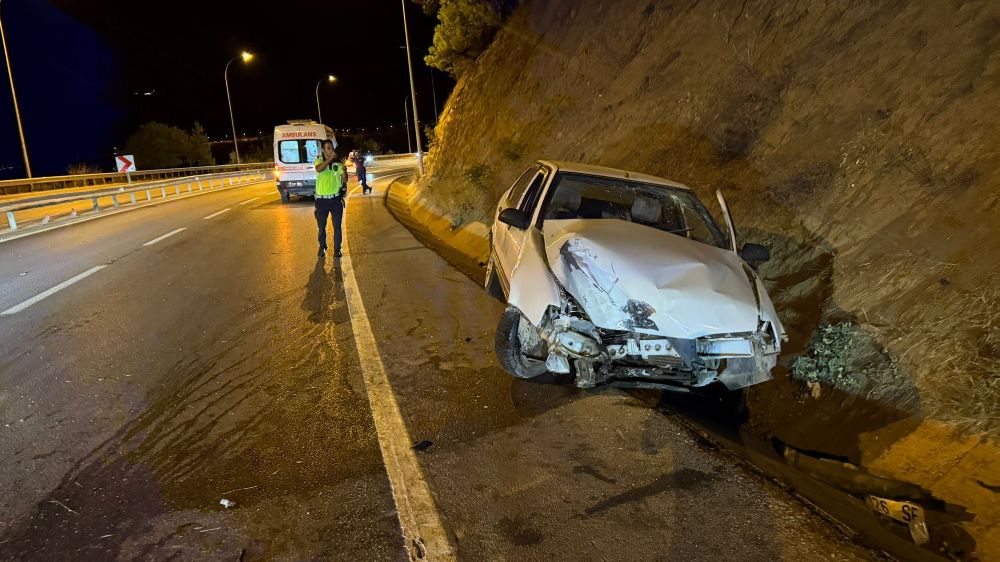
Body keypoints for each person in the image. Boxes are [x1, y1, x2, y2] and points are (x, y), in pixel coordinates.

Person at [314, 139, 347, 258]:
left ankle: (337, 250)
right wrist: (329, 159)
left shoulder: (336, 164)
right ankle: (322, 246)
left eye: (331, 147)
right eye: (328, 148)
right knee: (321, 227)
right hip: (321, 201)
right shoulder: (319, 161)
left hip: (335, 201)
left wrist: (343, 168)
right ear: (323, 150)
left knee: (337, 226)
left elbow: (345, 180)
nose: (331, 149)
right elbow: (318, 169)